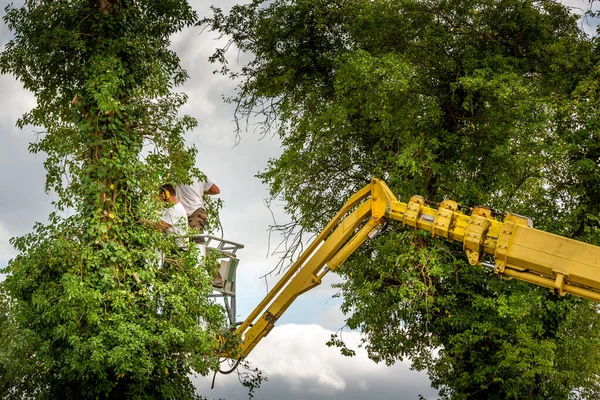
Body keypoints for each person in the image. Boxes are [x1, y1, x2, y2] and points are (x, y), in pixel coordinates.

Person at [176, 176, 220, 243]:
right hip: (194, 212)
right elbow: (215, 190)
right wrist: (201, 191)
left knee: (198, 242)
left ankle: (204, 252)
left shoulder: (177, 175)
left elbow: (216, 190)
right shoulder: (199, 175)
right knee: (189, 242)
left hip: (194, 212)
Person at [156, 183, 189, 251]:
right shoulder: (175, 207)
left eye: (161, 197)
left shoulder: (174, 209)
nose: (161, 201)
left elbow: (159, 227)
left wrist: (145, 222)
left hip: (178, 250)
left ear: (166, 194)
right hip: (175, 248)